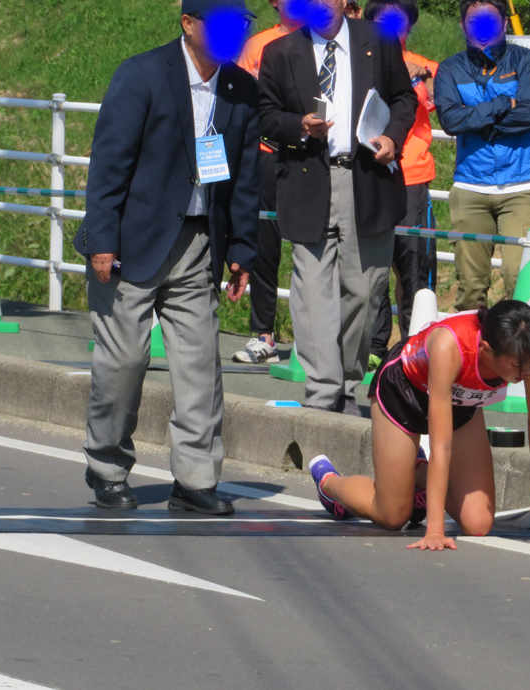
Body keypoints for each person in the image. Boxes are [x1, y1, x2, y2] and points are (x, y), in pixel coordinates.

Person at [74, 0, 261, 515]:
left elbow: (244, 181)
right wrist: (103, 241)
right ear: (188, 24)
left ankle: (196, 479)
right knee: (124, 360)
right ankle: (107, 466)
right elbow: (109, 165)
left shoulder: (240, 89)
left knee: (201, 364)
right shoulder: (142, 75)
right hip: (132, 243)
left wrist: (242, 248)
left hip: (199, 243)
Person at [258, 0, 418, 416]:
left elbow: (404, 98)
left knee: (365, 291)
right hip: (308, 179)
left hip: (366, 176)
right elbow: (265, 115)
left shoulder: (378, 41)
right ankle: (323, 391)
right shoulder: (281, 51)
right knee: (311, 293)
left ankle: (346, 380)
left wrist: (392, 139)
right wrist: (298, 125)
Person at [308, 300, 530, 551]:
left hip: (461, 402)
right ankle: (330, 485)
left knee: (477, 523)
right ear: (486, 350)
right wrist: (434, 530)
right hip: (403, 393)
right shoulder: (450, 346)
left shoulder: (529, 353)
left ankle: (418, 474)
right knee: (393, 516)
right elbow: (441, 446)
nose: (526, 373)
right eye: (516, 366)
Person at [434, 0, 530, 313]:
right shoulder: (450, 68)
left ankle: (522, 359)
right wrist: (500, 104)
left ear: (503, 23)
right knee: (470, 287)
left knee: (519, 279)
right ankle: (472, 358)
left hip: (522, 184)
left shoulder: (527, 60)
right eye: (474, 21)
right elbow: (450, 122)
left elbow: (528, 116)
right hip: (470, 185)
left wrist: (476, 121)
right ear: (463, 25)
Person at [365, 0, 439, 370]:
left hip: (412, 178)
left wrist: (420, 78)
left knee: (415, 268)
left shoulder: (428, 67)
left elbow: (442, 104)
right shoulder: (358, 61)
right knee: (370, 266)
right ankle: (375, 344)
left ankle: (414, 347)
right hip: (369, 176)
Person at [233, 0, 307, 365]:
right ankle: (263, 335)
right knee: (264, 246)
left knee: (314, 248)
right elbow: (242, 101)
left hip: (311, 156)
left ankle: (313, 341)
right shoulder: (254, 46)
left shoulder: (321, 39)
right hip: (266, 153)